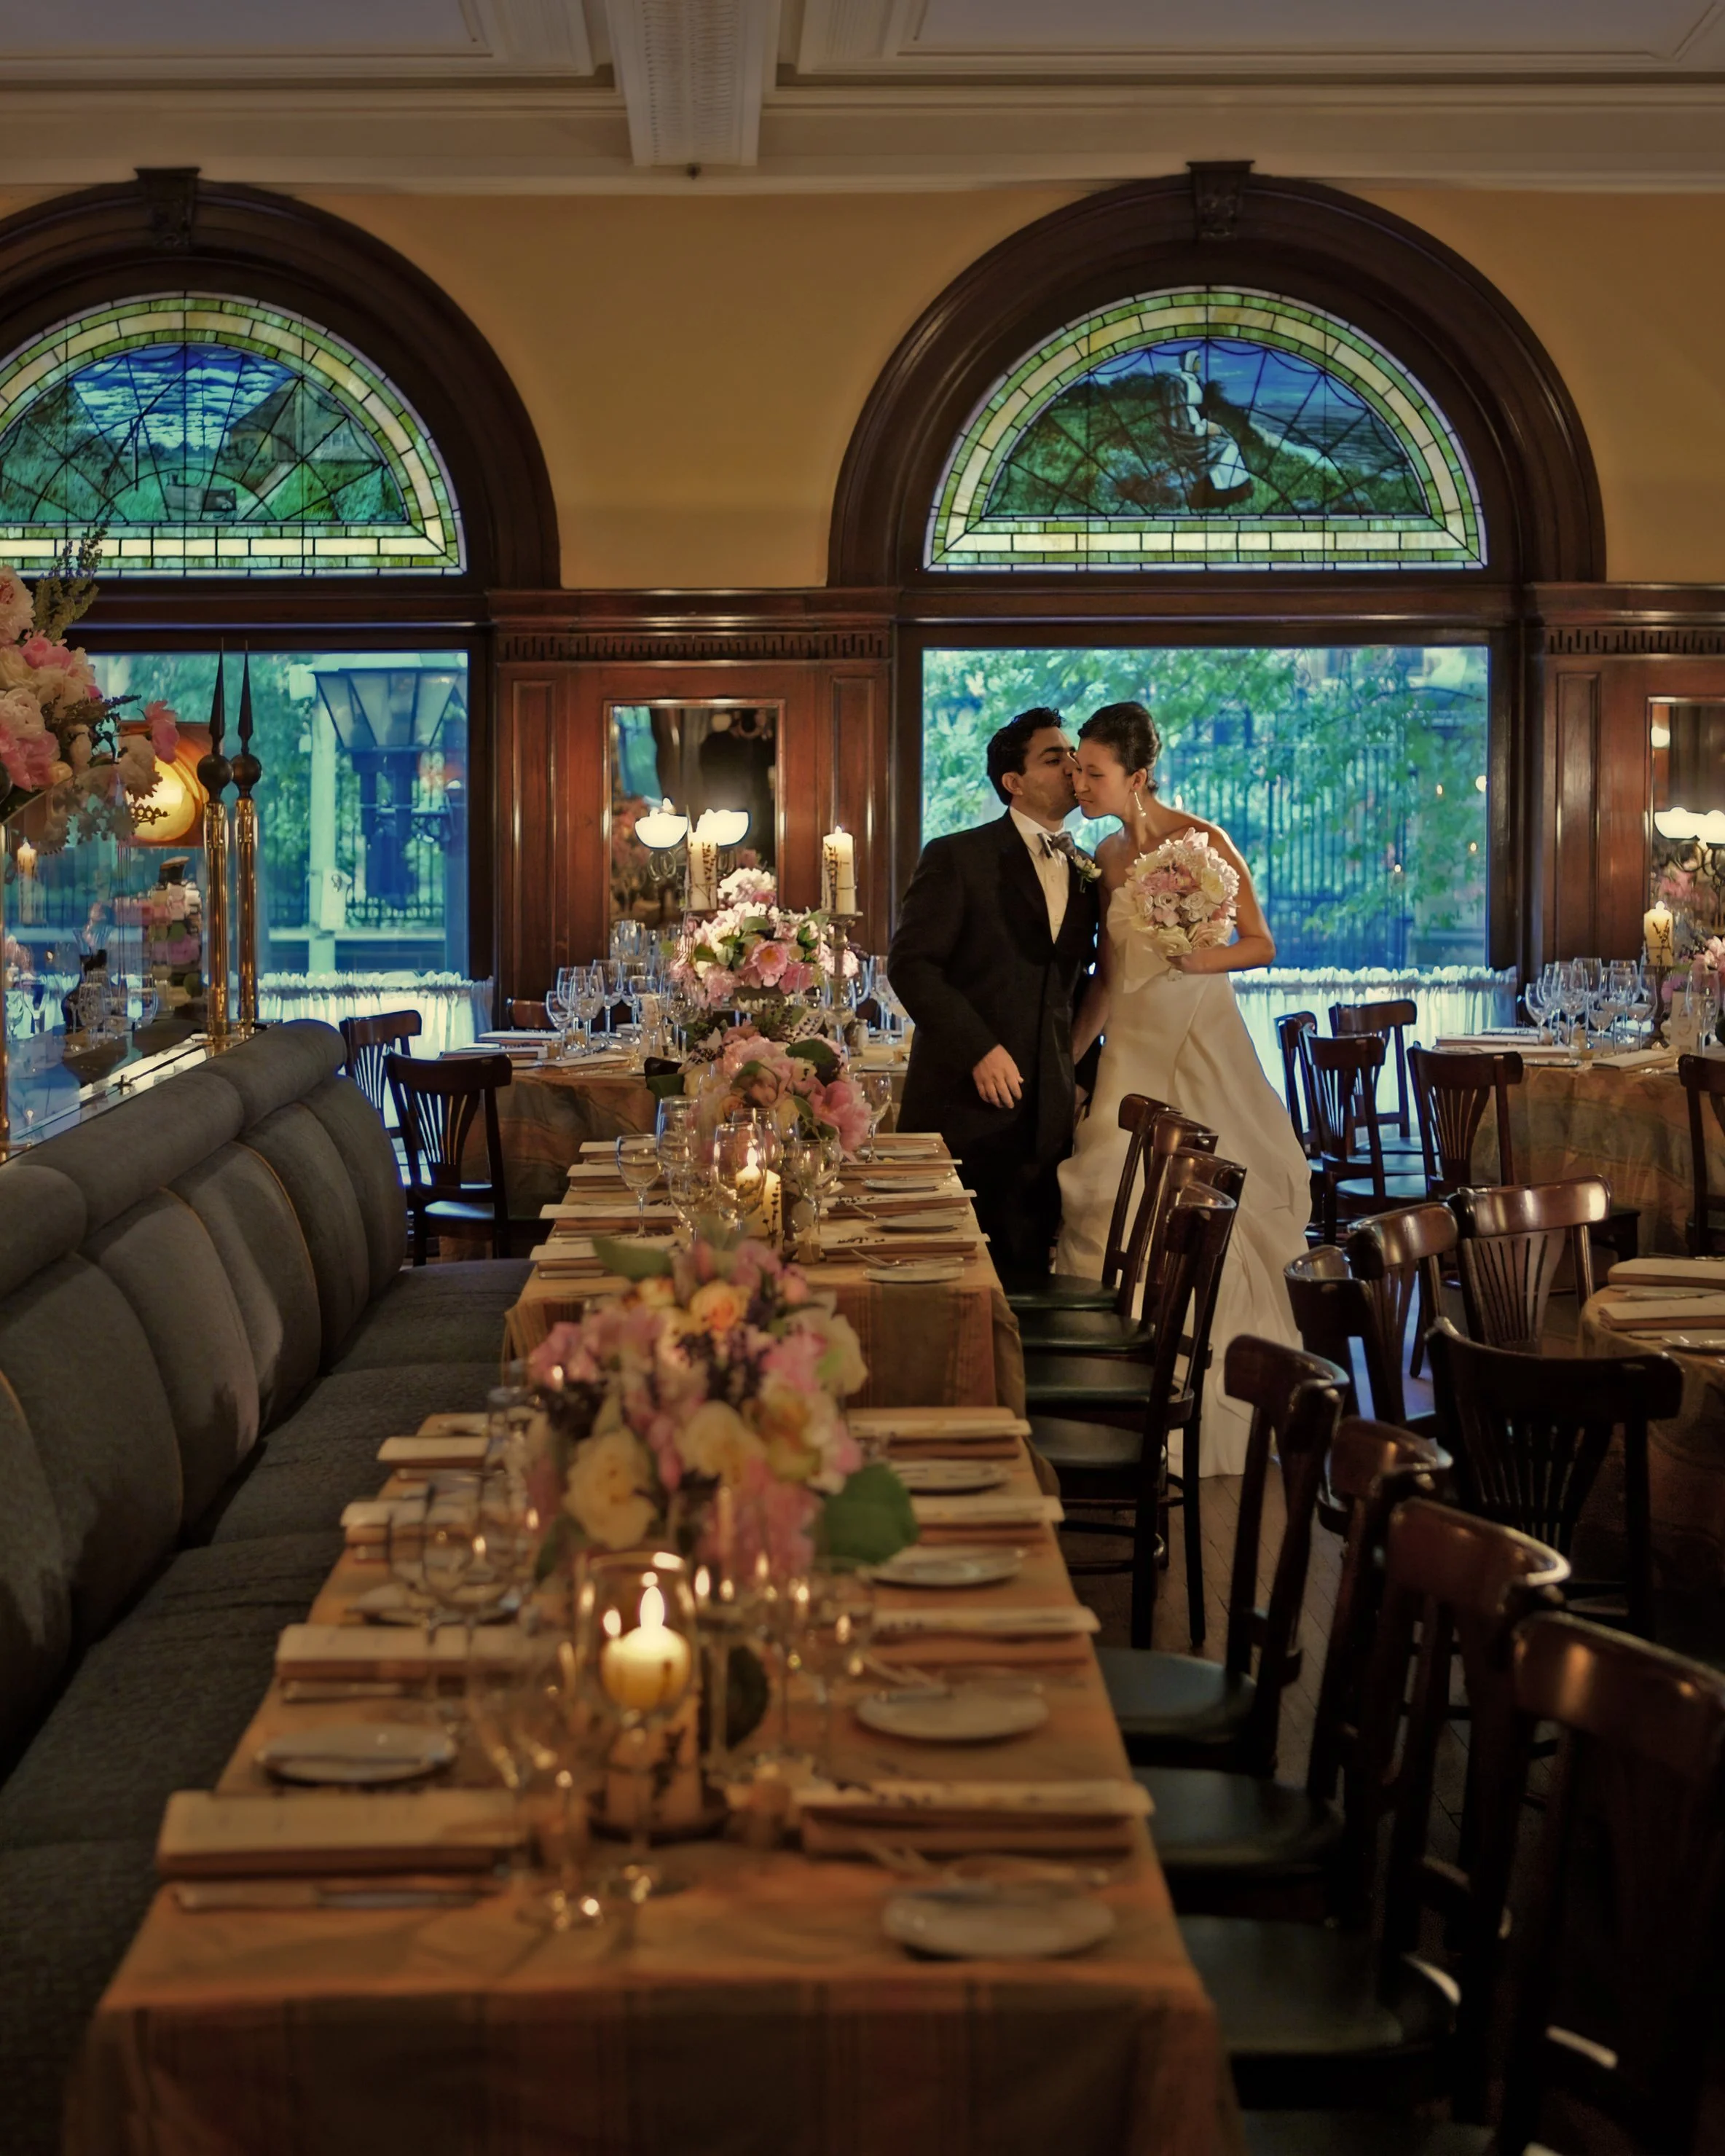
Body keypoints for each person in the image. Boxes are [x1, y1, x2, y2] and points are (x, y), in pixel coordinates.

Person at [1058, 700, 1310, 1475]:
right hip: (1130, 1046)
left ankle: (1206, 1406)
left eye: (1093, 772)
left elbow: (1260, 945)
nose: (1080, 781)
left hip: (1197, 1037)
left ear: (1138, 776)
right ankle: (1109, 1398)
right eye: (1075, 768)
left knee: (1200, 1205)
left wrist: (1189, 957)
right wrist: (1068, 1057)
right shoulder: (1101, 854)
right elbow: (1105, 974)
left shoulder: (1204, 843)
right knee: (1104, 1188)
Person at [889, 707, 1101, 1274]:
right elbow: (911, 966)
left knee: (1025, 1282)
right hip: (962, 1109)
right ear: (1014, 781)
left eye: (1072, 756)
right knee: (947, 1280)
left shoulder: (1087, 870)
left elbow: (1080, 988)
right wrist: (979, 1048)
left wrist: (1082, 1079)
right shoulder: (958, 856)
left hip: (1046, 1125)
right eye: (1053, 758)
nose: (1071, 767)